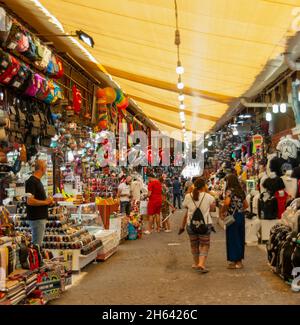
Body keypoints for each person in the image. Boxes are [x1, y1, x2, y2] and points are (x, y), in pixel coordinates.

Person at [179, 178, 216, 273]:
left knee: (194, 245)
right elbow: (213, 209)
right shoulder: (208, 196)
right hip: (205, 224)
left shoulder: (188, 196)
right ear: (204, 186)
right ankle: (201, 264)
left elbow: (186, 206)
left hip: (191, 224)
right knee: (204, 244)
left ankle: (196, 264)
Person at [221, 174, 248, 269]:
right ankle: (239, 261)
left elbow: (227, 203)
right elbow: (246, 205)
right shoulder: (241, 191)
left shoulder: (229, 191)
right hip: (240, 216)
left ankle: (235, 261)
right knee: (240, 238)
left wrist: (223, 211)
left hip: (232, 217)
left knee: (232, 238)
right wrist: (239, 209)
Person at [25, 160, 54, 246]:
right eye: (46, 167)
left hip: (39, 218)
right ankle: (35, 259)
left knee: (38, 244)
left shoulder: (37, 181)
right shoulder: (31, 181)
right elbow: (30, 201)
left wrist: (48, 202)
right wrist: (46, 202)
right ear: (42, 168)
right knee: (36, 245)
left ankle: (37, 258)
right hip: (36, 218)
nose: (46, 169)